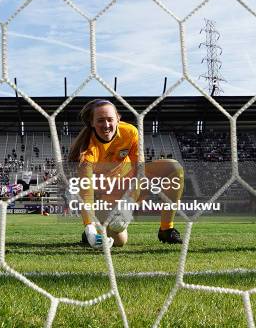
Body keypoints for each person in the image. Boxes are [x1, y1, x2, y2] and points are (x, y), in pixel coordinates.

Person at [68, 99, 183, 248]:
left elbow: (139, 171)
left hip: (132, 186)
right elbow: (87, 193)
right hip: (107, 195)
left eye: (110, 119)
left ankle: (166, 228)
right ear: (91, 122)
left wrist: (128, 203)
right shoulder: (86, 152)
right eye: (100, 120)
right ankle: (94, 231)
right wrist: (89, 227)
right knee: (120, 241)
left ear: (118, 118)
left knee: (174, 168)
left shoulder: (130, 132)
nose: (106, 125)